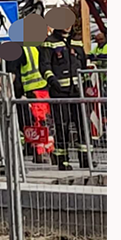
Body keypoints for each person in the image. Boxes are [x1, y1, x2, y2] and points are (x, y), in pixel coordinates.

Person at [43, 27, 90, 170]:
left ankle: (85, 159)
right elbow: (45, 66)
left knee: (82, 125)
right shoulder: (49, 43)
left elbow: (83, 64)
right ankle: (62, 160)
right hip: (60, 93)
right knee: (62, 126)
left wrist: (86, 83)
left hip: (77, 91)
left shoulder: (76, 41)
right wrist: (53, 82)